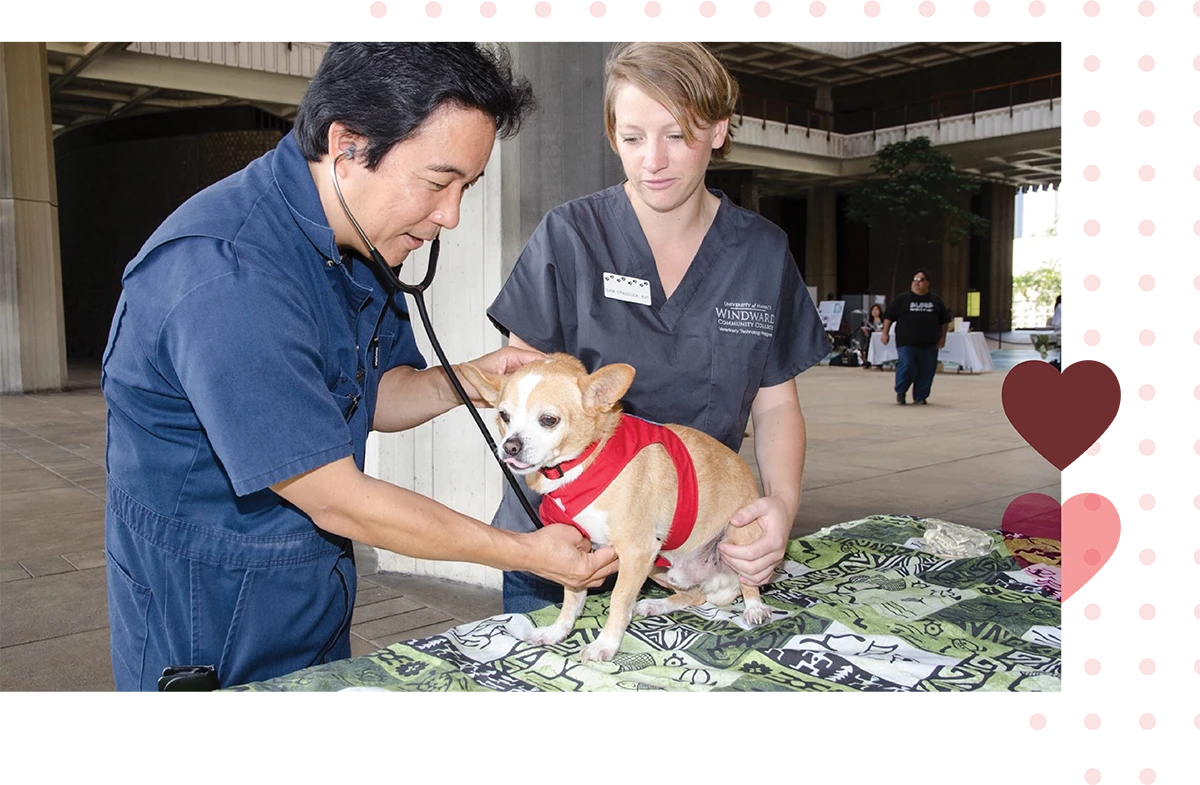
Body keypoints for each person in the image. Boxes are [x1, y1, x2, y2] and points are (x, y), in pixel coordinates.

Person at [100, 41, 618, 696]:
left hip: (310, 600)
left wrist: (474, 378)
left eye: (467, 188)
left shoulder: (354, 242)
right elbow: (338, 499)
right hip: (209, 626)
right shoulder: (225, 276)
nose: (451, 216)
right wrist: (524, 550)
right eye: (437, 183)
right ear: (347, 144)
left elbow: (369, 395)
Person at [484, 40, 831, 614]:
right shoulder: (571, 237)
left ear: (719, 129)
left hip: (698, 550)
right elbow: (520, 391)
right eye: (632, 138)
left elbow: (775, 407)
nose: (653, 160)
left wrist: (782, 507)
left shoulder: (761, 253)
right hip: (572, 548)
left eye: (677, 135)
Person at [880, 269, 951, 405]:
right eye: (915, 280)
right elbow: (889, 317)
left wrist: (943, 338)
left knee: (927, 369)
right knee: (907, 365)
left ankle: (920, 396)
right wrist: (885, 332)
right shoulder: (903, 299)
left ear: (928, 283)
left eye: (921, 280)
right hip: (906, 341)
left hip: (929, 343)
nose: (917, 283)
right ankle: (901, 391)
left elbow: (944, 321)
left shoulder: (935, 301)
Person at [859, 303, 885, 369]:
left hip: (881, 338)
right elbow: (868, 333)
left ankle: (879, 363)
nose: (875, 312)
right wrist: (866, 332)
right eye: (873, 310)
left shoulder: (883, 321)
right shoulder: (869, 322)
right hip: (872, 339)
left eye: (876, 310)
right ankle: (868, 362)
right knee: (868, 344)